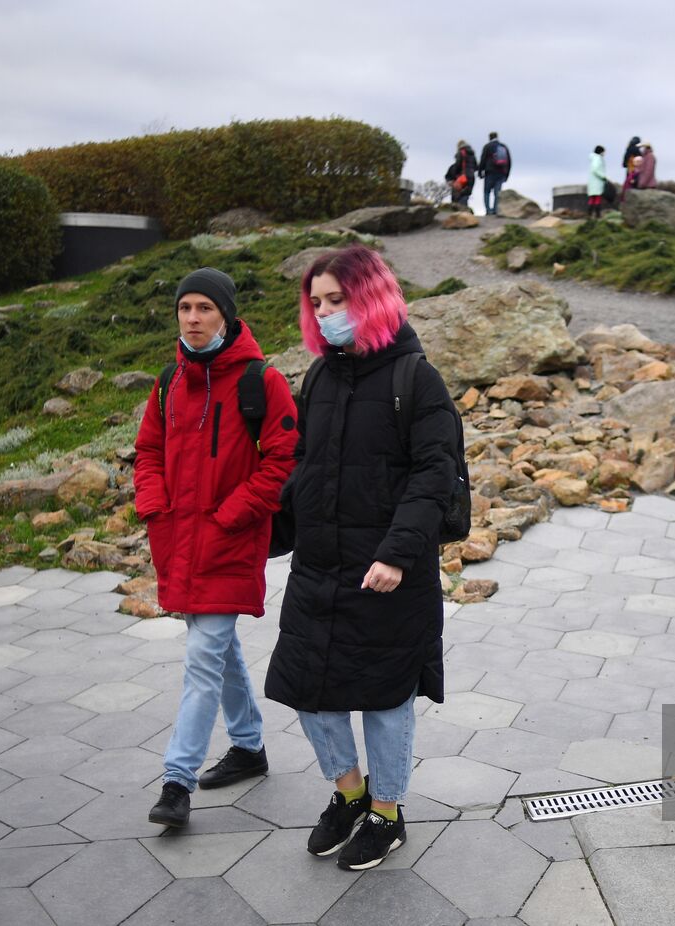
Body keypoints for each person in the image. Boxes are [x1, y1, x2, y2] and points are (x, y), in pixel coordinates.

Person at [267, 244, 460, 871]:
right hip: (320, 567)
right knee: (307, 688)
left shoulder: (416, 378)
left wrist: (400, 554)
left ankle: (387, 811)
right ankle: (350, 795)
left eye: (337, 300)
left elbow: (436, 472)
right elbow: (306, 469)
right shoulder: (318, 377)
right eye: (316, 303)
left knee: (383, 697)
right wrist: (267, 537)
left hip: (386, 572)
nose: (325, 314)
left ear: (369, 298)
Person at [136, 268, 298, 828]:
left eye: (205, 308)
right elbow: (148, 452)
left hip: (230, 541)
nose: (193, 318)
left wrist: (230, 513)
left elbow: (283, 461)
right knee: (218, 647)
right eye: (185, 308)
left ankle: (176, 782)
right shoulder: (168, 382)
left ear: (226, 315)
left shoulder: (262, 381)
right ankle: (249, 746)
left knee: (203, 659)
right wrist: (155, 506)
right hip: (178, 540)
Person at [477, 131, 511, 216]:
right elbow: (509, 161)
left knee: (487, 192)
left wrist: (480, 172)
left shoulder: (487, 146)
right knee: (497, 193)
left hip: (490, 172)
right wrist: (507, 174)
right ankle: (496, 210)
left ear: (489, 138)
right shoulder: (503, 146)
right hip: (501, 173)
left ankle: (488, 210)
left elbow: (483, 159)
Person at [444, 140, 476, 207]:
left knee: (458, 195)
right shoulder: (472, 154)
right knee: (466, 194)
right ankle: (464, 209)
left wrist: (453, 178)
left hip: (461, 178)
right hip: (471, 177)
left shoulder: (460, 153)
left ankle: (458, 209)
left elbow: (457, 167)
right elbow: (476, 166)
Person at [587, 145, 608, 220]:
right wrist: (603, 176)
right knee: (597, 198)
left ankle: (589, 214)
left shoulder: (593, 158)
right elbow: (595, 169)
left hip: (592, 182)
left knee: (592, 199)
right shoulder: (598, 159)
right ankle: (597, 215)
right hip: (597, 181)